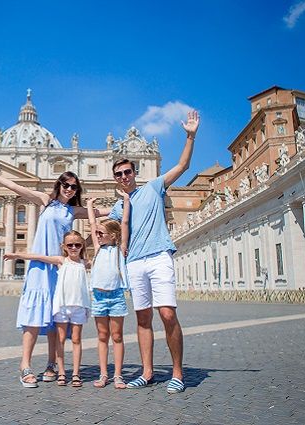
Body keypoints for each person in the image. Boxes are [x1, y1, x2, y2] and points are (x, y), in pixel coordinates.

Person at [0, 163, 102, 388]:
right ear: (59, 185)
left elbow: (102, 214)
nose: (69, 189)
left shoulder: (73, 211)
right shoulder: (45, 200)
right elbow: (15, 187)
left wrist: (128, 202)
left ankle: (52, 364)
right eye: (66, 185)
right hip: (40, 266)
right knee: (32, 318)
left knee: (55, 317)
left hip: (61, 268)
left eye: (74, 187)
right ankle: (25, 365)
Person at [107, 110, 200, 394]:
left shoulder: (154, 187)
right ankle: (147, 373)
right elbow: (101, 221)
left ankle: (177, 373)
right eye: (119, 174)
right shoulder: (118, 207)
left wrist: (190, 136)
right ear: (116, 179)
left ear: (134, 173)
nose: (124, 177)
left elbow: (183, 165)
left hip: (159, 256)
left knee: (168, 314)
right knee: (143, 318)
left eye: (127, 172)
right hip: (134, 262)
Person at [5, 230, 91, 388]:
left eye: (77, 244)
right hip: (62, 306)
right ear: (64, 247)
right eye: (70, 245)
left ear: (82, 246)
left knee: (76, 340)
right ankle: (63, 372)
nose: (73, 247)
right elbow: (38, 256)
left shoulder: (85, 263)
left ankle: (76, 373)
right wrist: (16, 255)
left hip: (79, 306)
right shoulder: (61, 260)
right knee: (60, 339)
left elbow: (102, 256)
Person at [87, 191, 130, 389]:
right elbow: (92, 222)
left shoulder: (120, 249)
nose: (97, 236)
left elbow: (125, 223)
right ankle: (104, 374)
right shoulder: (97, 249)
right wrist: (89, 206)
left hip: (116, 296)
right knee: (102, 336)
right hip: (98, 296)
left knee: (117, 336)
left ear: (112, 236)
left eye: (100, 234)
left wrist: (127, 201)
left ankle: (118, 375)